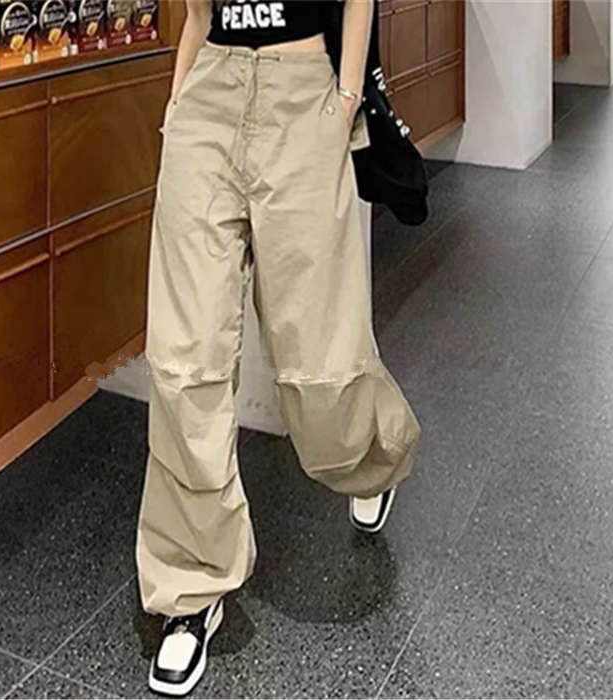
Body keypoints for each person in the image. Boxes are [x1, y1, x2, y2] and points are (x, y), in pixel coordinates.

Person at [135, 0, 422, 695]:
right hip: (208, 99)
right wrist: (178, 107)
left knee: (319, 355)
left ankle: (370, 459)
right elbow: (197, 14)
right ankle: (190, 587)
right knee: (183, 361)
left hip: (304, 99)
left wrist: (344, 98)